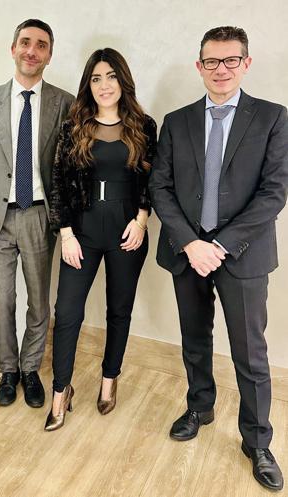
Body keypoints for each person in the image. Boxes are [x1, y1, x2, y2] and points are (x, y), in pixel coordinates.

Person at [149, 26, 288, 492]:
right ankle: (199, 406)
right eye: (212, 61)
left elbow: (274, 193)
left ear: (246, 64)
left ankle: (257, 441)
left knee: (250, 352)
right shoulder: (177, 121)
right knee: (194, 339)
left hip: (242, 254)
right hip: (187, 251)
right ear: (200, 66)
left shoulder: (272, 117)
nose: (221, 69)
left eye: (231, 60)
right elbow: (160, 188)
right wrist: (191, 243)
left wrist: (221, 244)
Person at [44, 48, 157, 431]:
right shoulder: (73, 126)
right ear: (88, 85)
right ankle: (61, 390)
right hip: (82, 232)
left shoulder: (144, 126)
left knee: (118, 310)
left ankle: (110, 379)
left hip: (127, 231)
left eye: (110, 77)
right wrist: (65, 234)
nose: (104, 85)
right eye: (96, 78)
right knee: (67, 313)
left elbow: (153, 180)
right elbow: (58, 183)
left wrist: (141, 220)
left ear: (122, 81)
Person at [0, 19, 75, 408]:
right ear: (13, 48)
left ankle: (30, 369)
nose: (32, 51)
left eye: (41, 45)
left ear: (50, 55)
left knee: (38, 301)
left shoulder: (64, 103)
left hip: (39, 217)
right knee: (2, 301)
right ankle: (8, 370)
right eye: (26, 43)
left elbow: (69, 165)